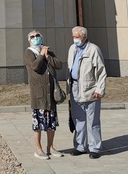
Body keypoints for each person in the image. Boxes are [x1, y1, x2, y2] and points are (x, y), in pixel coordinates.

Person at [67, 26, 106, 159]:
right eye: (73, 36)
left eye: (77, 37)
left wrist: (100, 89)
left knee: (92, 120)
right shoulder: (72, 49)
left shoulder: (93, 49)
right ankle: (80, 146)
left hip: (90, 88)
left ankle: (94, 147)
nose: (75, 39)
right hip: (75, 88)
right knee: (78, 119)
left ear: (84, 37)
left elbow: (101, 71)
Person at [23, 30, 63, 159]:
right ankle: (38, 149)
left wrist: (48, 57)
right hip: (38, 95)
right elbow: (35, 66)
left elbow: (58, 65)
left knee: (51, 124)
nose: (35, 38)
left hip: (50, 94)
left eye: (37, 36)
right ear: (29, 40)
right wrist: (41, 55)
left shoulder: (48, 51)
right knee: (38, 124)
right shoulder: (29, 52)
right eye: (32, 37)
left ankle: (50, 147)